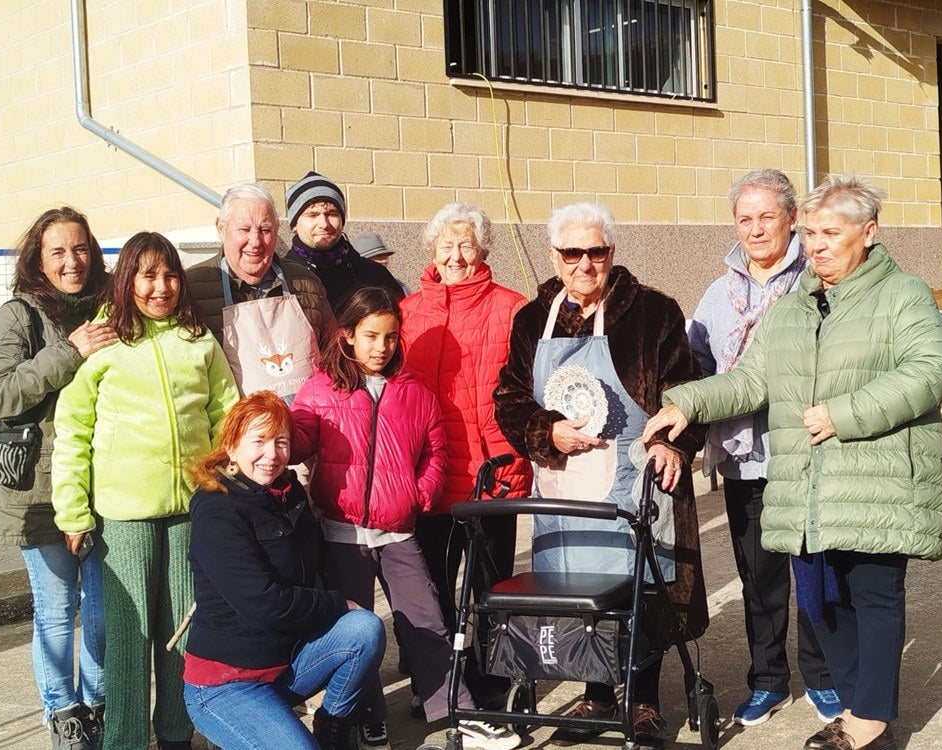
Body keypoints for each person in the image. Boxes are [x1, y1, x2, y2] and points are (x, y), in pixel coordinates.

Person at [644, 174, 942, 750]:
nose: (815, 244)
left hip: (874, 479)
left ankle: (869, 721)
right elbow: (750, 380)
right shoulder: (791, 309)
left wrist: (844, 413)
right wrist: (685, 402)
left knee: (873, 598)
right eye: (810, 233)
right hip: (807, 484)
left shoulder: (903, 295)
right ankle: (862, 708)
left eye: (829, 232)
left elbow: (929, 370)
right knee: (821, 599)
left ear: (868, 232)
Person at [492, 202, 709, 749]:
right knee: (575, 586)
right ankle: (596, 691)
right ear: (554, 257)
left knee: (642, 585)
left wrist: (673, 444)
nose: (584, 264)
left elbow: (686, 391)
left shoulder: (654, 313)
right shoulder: (530, 319)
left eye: (596, 251)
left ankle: (643, 700)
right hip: (565, 483)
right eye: (572, 253)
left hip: (636, 478)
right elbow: (509, 398)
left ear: (612, 253)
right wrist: (545, 432)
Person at [290, 287, 520, 750]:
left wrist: (421, 493)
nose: (382, 347)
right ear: (347, 336)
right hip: (342, 534)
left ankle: (460, 712)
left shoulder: (413, 391)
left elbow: (436, 446)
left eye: (391, 337)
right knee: (357, 632)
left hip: (398, 531)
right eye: (371, 335)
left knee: (427, 621)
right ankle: (367, 715)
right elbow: (299, 438)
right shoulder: (319, 389)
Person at [52, 232, 239, 750]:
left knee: (181, 631)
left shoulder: (198, 339)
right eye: (148, 275)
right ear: (126, 277)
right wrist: (72, 511)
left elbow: (227, 412)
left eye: (170, 275)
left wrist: (224, 481)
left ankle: (177, 734)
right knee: (129, 640)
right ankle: (126, 740)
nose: (161, 287)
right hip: (124, 515)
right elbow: (73, 430)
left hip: (189, 509)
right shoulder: (102, 339)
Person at [689, 169, 839, 727]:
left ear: (792, 218)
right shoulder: (717, 291)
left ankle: (822, 677)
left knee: (815, 570)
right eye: (744, 218)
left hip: (803, 452)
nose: (755, 229)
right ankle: (769, 680)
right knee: (759, 575)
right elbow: (699, 365)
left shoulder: (817, 279)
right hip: (744, 457)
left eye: (766, 216)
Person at [0, 207, 118, 750]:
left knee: (106, 610)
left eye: (80, 248)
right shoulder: (20, 314)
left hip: (105, 484)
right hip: (40, 494)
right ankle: (64, 714)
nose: (72, 261)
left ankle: (102, 704)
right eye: (58, 251)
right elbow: (0, 394)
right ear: (39, 258)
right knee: (58, 612)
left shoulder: (111, 306)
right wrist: (70, 350)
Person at [183, 391, 386, 750]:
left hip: (284, 666)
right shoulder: (216, 509)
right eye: (258, 441)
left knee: (365, 628)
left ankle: (333, 725)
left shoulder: (289, 493)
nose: (272, 454)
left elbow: (312, 569)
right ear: (231, 447)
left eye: (281, 442)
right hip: (225, 683)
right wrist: (337, 604)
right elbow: (264, 604)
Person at [399, 202, 532, 710]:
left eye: (467, 245)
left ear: (483, 250)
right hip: (429, 471)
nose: (456, 255)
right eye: (446, 245)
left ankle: (496, 680)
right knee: (431, 583)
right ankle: (443, 679)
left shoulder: (512, 306)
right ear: (432, 251)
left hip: (490, 470)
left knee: (493, 583)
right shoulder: (410, 312)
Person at [187, 183, 334, 401]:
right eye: (244, 230)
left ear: (276, 230)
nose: (255, 242)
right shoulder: (192, 287)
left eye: (265, 230)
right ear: (221, 228)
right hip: (236, 432)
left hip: (306, 426)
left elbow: (333, 353)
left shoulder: (305, 282)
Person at [284, 171, 403, 312]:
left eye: (332, 214)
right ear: (294, 225)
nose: (324, 223)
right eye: (313, 215)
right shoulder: (282, 277)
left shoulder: (373, 274)